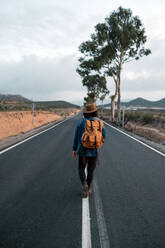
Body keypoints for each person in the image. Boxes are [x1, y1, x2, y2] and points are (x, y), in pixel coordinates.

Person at [72, 103, 106, 198]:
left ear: (86, 113)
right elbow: (104, 135)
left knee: (81, 168)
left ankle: (84, 185)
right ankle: (88, 188)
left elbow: (76, 137)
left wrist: (74, 149)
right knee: (91, 170)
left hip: (82, 151)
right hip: (94, 151)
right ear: (95, 112)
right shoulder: (99, 123)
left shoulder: (80, 123)